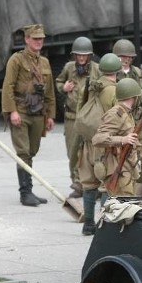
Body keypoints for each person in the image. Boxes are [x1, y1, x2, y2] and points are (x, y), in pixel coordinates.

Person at [1, 24, 55, 207]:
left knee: (32, 151)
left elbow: (50, 92)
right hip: (21, 111)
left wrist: (50, 115)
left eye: (41, 38)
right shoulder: (16, 60)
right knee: (23, 153)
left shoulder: (45, 63)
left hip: (38, 112)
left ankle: (29, 189)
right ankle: (25, 193)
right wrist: (12, 111)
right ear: (26, 39)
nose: (39, 42)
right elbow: (7, 86)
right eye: (35, 38)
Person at [92, 79, 142, 197]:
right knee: (124, 209)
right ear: (133, 97)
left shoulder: (127, 113)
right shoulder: (116, 114)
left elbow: (136, 144)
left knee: (126, 207)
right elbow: (97, 139)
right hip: (118, 170)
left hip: (127, 168)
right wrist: (122, 140)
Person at [75, 53, 120, 236]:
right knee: (107, 183)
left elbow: (81, 108)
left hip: (88, 142)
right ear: (117, 71)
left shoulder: (93, 85)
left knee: (88, 184)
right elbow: (119, 117)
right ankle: (104, 225)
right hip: (105, 145)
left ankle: (88, 224)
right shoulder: (115, 90)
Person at [55, 36, 99, 198]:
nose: (81, 58)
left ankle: (89, 183)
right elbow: (58, 82)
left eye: (84, 55)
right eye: (78, 55)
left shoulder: (97, 69)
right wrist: (63, 87)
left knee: (89, 152)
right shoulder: (69, 68)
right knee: (72, 152)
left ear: (89, 55)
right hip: (72, 117)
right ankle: (76, 183)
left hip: (89, 119)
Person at [113, 39, 142, 141]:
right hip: (117, 127)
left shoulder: (139, 74)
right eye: (123, 56)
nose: (126, 59)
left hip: (137, 126)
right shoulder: (111, 74)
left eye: (130, 57)